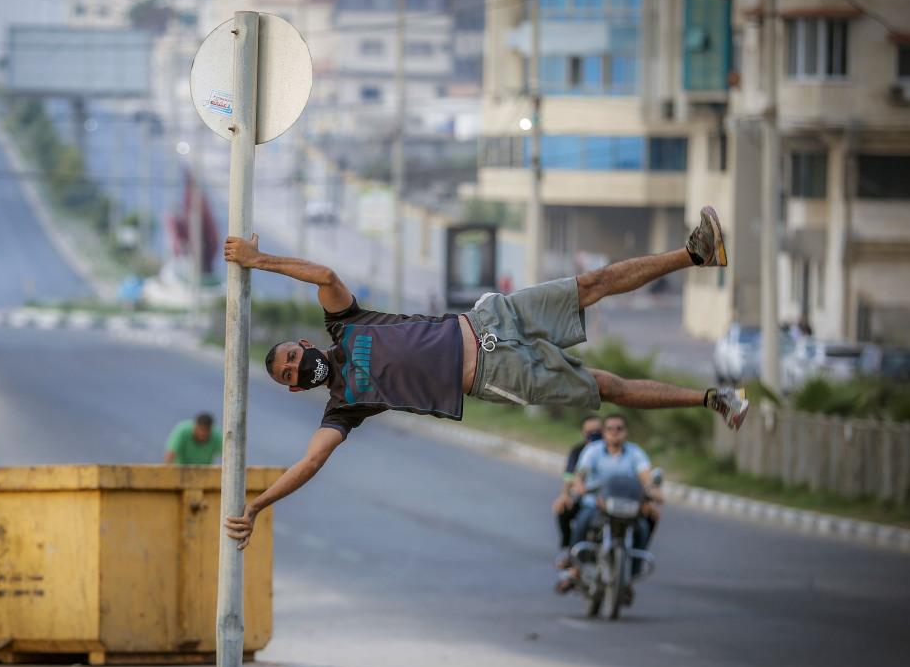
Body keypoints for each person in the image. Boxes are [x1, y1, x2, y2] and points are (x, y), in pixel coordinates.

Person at [222, 206, 748, 550]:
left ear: (307, 343)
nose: (297, 366)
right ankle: (714, 399)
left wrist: (255, 259)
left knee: (592, 283)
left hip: (491, 320)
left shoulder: (344, 323)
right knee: (606, 387)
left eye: (294, 356)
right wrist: (258, 504)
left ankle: (696, 253)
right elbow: (312, 460)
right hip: (498, 373)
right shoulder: (344, 405)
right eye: (290, 373)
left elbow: (326, 277)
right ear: (296, 386)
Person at [560, 413, 660, 597]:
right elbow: (580, 474)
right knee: (582, 523)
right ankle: (575, 568)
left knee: (644, 528)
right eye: (610, 428)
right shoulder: (593, 451)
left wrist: (652, 491)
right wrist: (580, 486)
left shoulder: (635, 453)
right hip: (596, 505)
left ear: (626, 432)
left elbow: (646, 476)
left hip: (628, 508)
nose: (615, 432)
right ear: (604, 432)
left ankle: (630, 576)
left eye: (619, 428)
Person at [553, 414, 604, 551]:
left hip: (611, 498)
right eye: (590, 432)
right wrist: (564, 495)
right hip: (587, 497)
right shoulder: (579, 451)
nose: (594, 435)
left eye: (598, 431)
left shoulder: (614, 450)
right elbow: (570, 476)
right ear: (583, 433)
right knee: (563, 509)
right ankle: (569, 549)